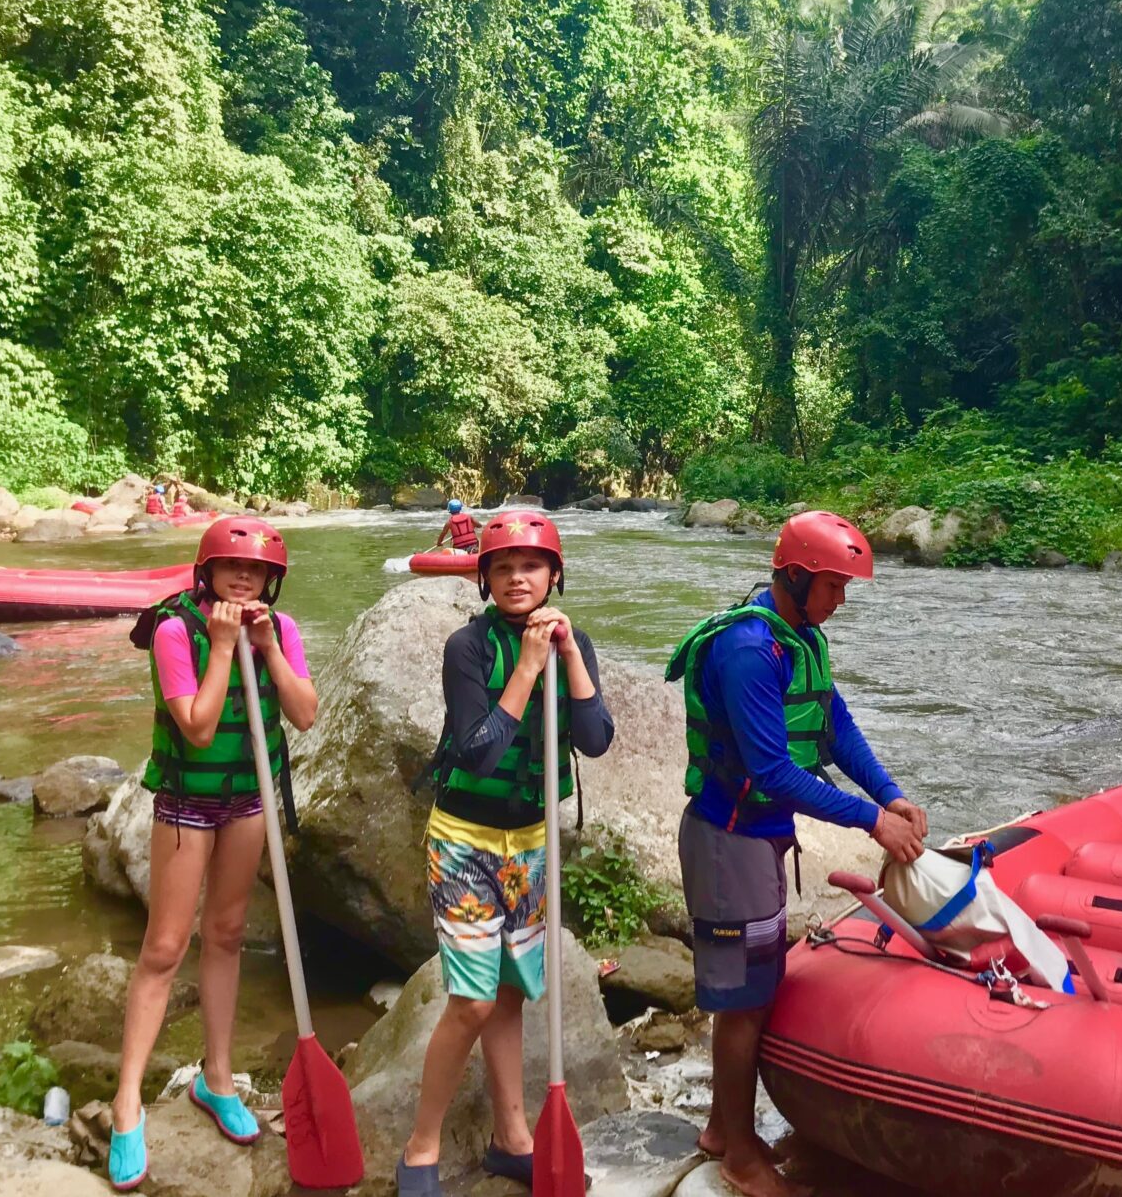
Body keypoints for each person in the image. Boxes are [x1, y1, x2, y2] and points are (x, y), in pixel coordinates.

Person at [664, 511, 926, 1197]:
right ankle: (739, 1156)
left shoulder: (799, 637)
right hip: (729, 842)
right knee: (744, 1002)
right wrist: (871, 821)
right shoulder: (749, 651)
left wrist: (889, 793)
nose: (840, 601)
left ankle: (724, 1128)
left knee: (753, 989)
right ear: (794, 576)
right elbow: (774, 770)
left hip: (756, 839)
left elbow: (835, 724)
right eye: (833, 586)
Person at [397, 510, 614, 1197]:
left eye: (532, 566)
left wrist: (570, 657)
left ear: (554, 575)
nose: (519, 577)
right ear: (486, 579)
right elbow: (480, 752)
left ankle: (511, 1136)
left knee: (512, 991)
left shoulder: (571, 637)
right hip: (464, 841)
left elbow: (598, 737)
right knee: (471, 1001)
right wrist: (526, 666)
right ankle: (419, 1147)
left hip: (530, 841)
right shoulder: (467, 646)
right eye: (504, 567)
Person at [107, 517, 317, 1191]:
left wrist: (267, 648)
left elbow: (306, 714)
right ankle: (127, 1102)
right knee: (165, 947)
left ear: (271, 582)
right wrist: (224, 646)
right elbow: (196, 728)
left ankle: (216, 1078)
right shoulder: (176, 631)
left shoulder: (280, 630)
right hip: (186, 803)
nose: (243, 578)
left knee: (225, 933)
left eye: (255, 571)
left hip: (247, 801)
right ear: (207, 570)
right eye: (231, 567)